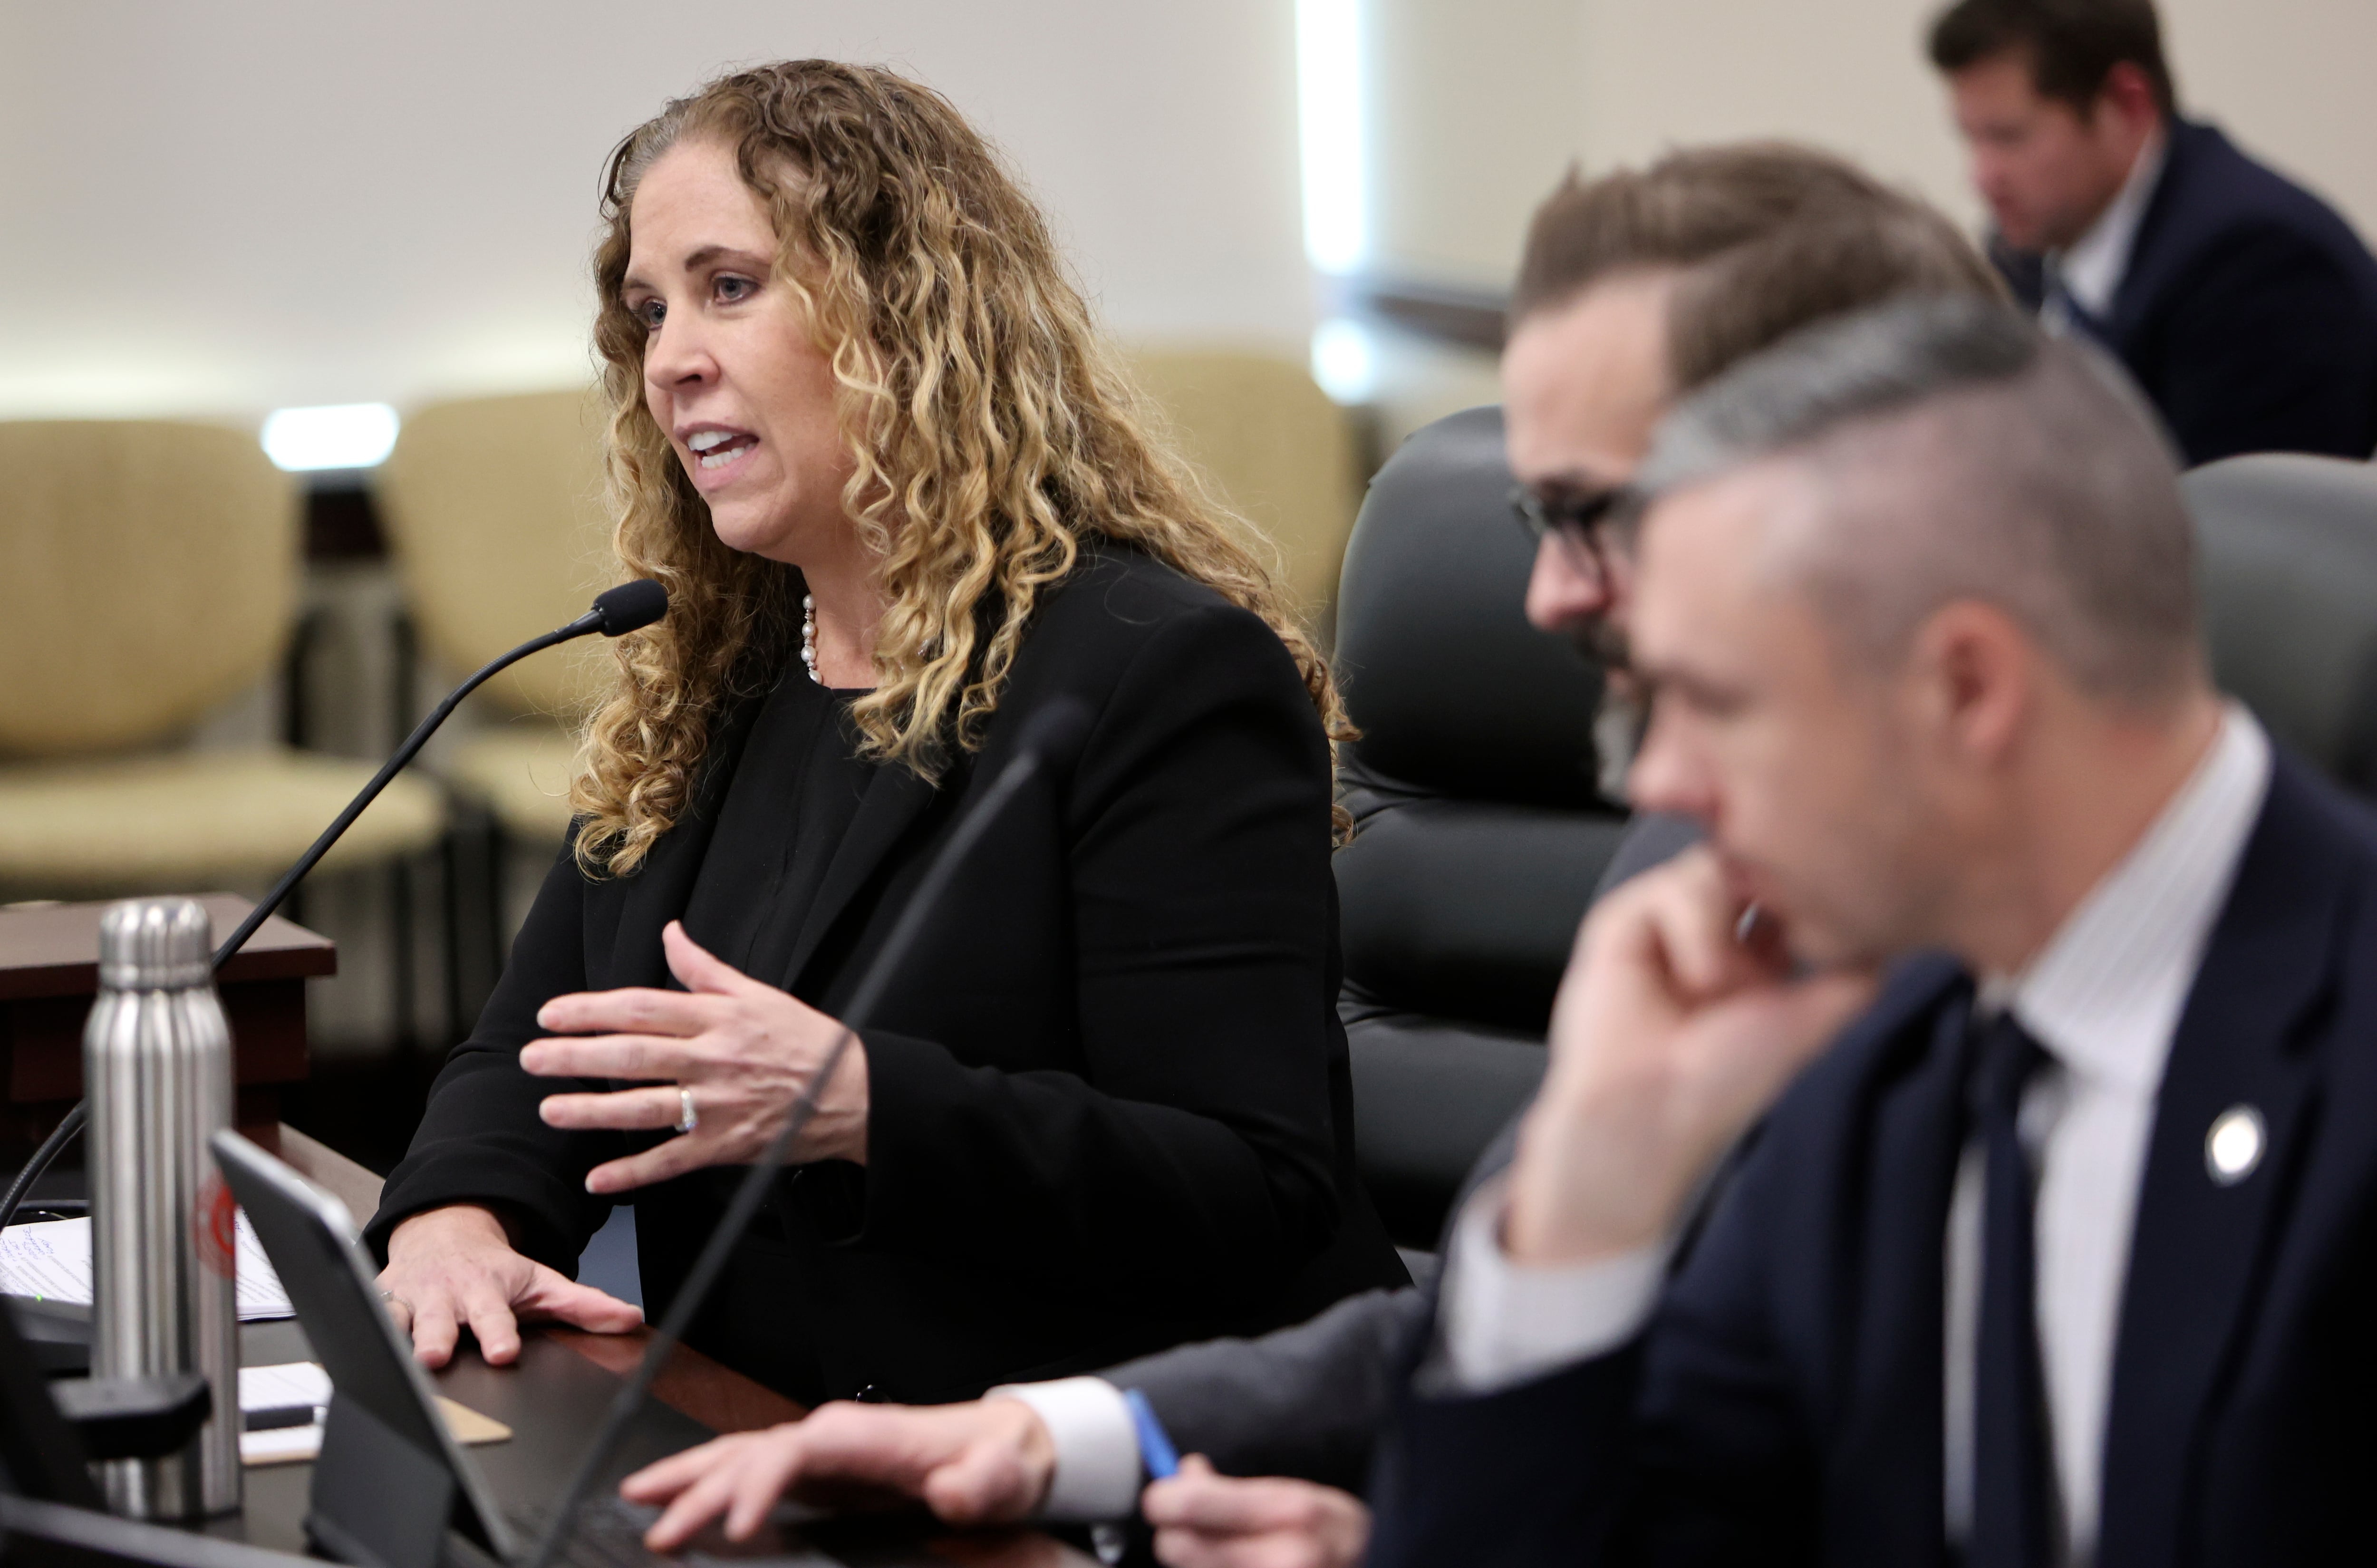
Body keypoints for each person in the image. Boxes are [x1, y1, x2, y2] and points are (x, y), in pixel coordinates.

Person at [614, 145, 2007, 1566]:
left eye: (1592, 512)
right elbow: (1490, 1343)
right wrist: (1066, 1436)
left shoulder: (2151, 1033)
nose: (1543, 594)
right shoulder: (1710, 857)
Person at [362, 59, 1410, 1409]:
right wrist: (457, 1223)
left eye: (729, 288)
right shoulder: (718, 677)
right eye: (648, 310)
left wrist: (863, 1100)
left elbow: (1250, 1186)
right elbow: (535, 1055)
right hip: (758, 1441)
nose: (671, 357)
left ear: (906, 315)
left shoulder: (1157, 672)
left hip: (1102, 1460)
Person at [1362, 295, 2377, 1567]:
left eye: (1709, 702)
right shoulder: (1871, 1066)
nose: (1659, 783)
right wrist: (1589, 1184)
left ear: (1966, 689)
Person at [1929, 0, 2377, 465]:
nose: (1981, 178)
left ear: (2128, 102)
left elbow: (2236, 526)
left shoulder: (2262, 268)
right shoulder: (2028, 243)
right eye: (1969, 137)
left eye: (2008, 137)